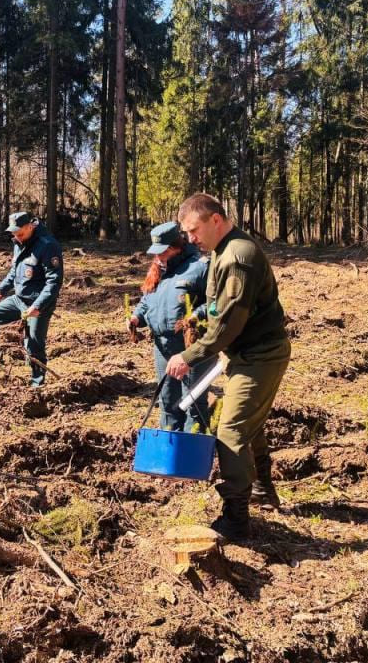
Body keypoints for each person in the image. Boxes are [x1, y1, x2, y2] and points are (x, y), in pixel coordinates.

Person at [165, 194, 289, 541]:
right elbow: (220, 307)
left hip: (260, 356)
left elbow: (230, 324)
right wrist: (202, 315)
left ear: (215, 220)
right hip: (245, 353)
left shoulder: (238, 256)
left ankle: (237, 517)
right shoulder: (220, 249)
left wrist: (188, 356)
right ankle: (263, 488)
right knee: (251, 424)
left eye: (194, 230)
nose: (190, 238)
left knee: (231, 433)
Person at [128, 221, 213, 432]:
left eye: (163, 252)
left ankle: (192, 454)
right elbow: (148, 299)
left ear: (176, 248)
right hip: (162, 346)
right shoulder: (159, 268)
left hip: (190, 344)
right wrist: (137, 317)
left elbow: (217, 302)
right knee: (167, 401)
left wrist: (195, 316)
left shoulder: (200, 266)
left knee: (192, 401)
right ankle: (169, 453)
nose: (157, 257)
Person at [0, 211, 63, 387]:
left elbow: (54, 282)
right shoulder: (18, 242)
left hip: (39, 303)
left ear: (31, 226)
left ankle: (37, 385)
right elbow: (14, 271)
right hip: (19, 299)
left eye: (20, 233)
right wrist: (0, 289)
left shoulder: (48, 245)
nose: (17, 237)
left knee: (34, 345)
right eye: (14, 233)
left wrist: (38, 306)